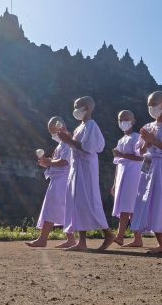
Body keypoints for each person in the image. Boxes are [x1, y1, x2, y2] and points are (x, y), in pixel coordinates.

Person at [57, 96, 115, 251]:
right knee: (78, 203)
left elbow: (87, 147)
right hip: (77, 169)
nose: (75, 110)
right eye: (74, 106)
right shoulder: (79, 127)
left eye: (78, 107)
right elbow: (75, 146)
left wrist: (68, 140)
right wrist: (68, 137)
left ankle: (108, 233)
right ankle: (81, 242)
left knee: (90, 201)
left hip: (86, 169)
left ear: (88, 108)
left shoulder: (91, 126)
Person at [130, 91, 162, 254]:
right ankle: (161, 244)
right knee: (147, 202)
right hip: (147, 166)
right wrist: (147, 142)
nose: (151, 107)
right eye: (149, 104)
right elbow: (139, 151)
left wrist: (154, 141)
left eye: (154, 103)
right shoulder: (147, 127)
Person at [26, 116, 75, 248]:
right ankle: (70, 239)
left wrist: (49, 162)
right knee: (61, 208)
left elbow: (65, 162)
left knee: (51, 207)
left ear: (61, 127)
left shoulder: (69, 142)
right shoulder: (62, 144)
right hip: (59, 179)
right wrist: (47, 164)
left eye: (53, 131)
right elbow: (58, 162)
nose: (53, 135)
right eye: (51, 133)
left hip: (63, 179)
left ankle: (43, 239)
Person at [110, 110, 144, 247]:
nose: (123, 121)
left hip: (133, 175)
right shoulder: (121, 140)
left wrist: (122, 155)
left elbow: (141, 158)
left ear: (133, 121)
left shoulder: (137, 137)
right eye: (120, 119)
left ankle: (120, 235)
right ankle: (138, 239)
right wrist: (114, 183)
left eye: (126, 119)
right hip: (122, 176)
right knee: (130, 207)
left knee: (126, 205)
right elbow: (117, 164)